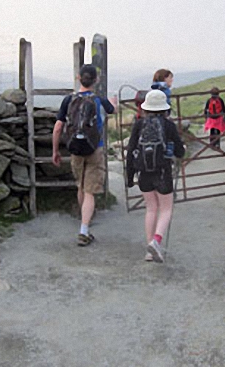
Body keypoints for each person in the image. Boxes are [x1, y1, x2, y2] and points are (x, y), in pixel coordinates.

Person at [52, 64, 115, 247]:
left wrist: (55, 151)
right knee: (90, 191)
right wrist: (114, 102)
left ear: (78, 78)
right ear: (95, 80)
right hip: (96, 148)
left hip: (75, 149)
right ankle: (84, 229)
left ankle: (83, 221)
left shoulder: (68, 100)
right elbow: (113, 110)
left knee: (81, 186)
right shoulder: (99, 100)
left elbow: (58, 128)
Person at [126, 89, 185, 263]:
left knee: (151, 208)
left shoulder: (138, 125)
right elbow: (180, 151)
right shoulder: (168, 125)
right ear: (164, 108)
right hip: (162, 172)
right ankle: (156, 241)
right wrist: (180, 151)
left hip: (143, 172)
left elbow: (130, 151)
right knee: (166, 209)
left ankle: (149, 250)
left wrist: (129, 177)